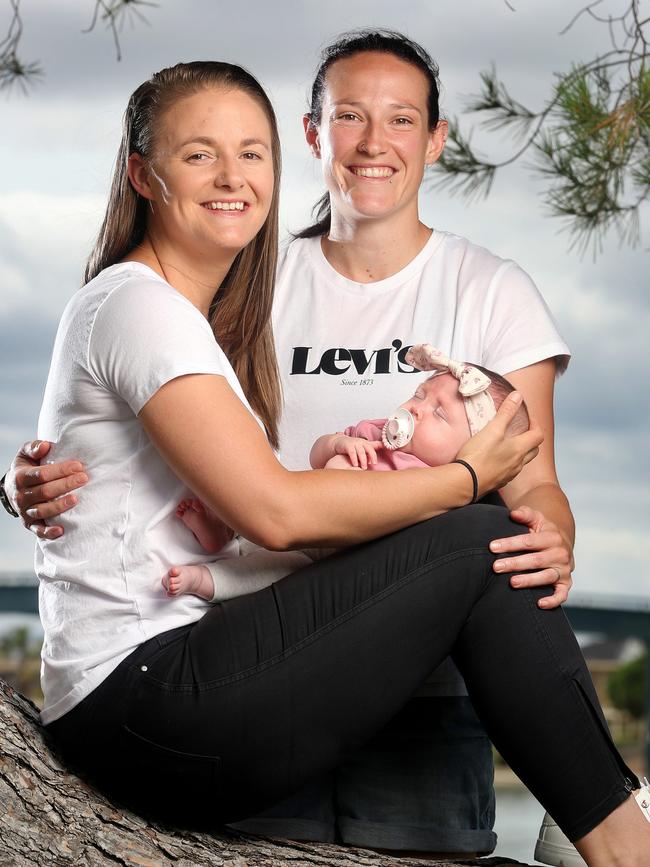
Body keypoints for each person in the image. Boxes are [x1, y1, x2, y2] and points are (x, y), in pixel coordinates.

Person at [1, 34, 641, 865]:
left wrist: (543, 528)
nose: (376, 142)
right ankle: (626, 834)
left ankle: (602, 807)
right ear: (314, 136)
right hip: (228, 659)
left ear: (437, 139)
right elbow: (245, 494)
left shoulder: (482, 289)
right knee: (479, 529)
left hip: (363, 672)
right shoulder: (211, 294)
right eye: (349, 116)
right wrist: (22, 482)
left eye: (402, 119)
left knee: (495, 537)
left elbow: (537, 486)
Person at [165, 347, 529, 605]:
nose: (417, 409)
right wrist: (338, 443)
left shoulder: (436, 488)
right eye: (420, 394)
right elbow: (316, 454)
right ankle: (221, 531)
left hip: (326, 556)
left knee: (274, 571)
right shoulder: (377, 432)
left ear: (472, 451)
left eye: (440, 415)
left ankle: (209, 581)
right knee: (255, 505)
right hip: (302, 508)